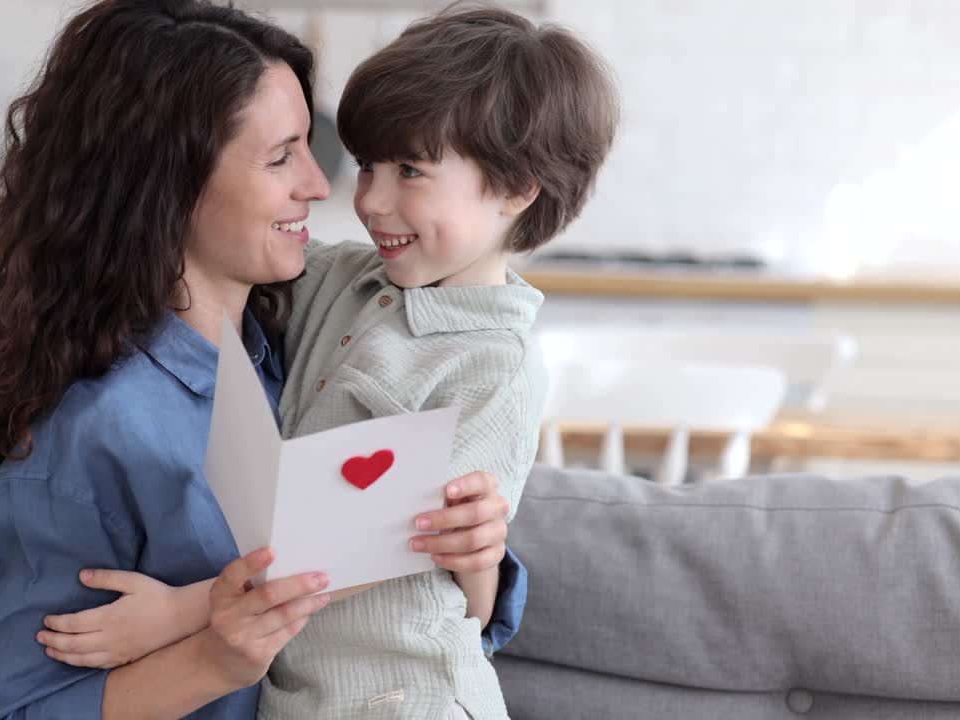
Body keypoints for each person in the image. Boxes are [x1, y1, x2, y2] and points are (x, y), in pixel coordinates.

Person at [0, 1, 522, 718]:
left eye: (309, 148)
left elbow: (419, 606)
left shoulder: (290, 357)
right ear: (169, 184)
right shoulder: (96, 433)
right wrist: (211, 660)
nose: (320, 185)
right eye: (281, 157)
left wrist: (477, 549)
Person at [35, 5, 619, 718]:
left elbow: (367, 543)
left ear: (516, 187)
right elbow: (206, 236)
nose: (370, 199)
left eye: (411, 171)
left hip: (408, 700)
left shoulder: (497, 365)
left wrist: (181, 614)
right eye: (369, 164)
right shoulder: (343, 279)